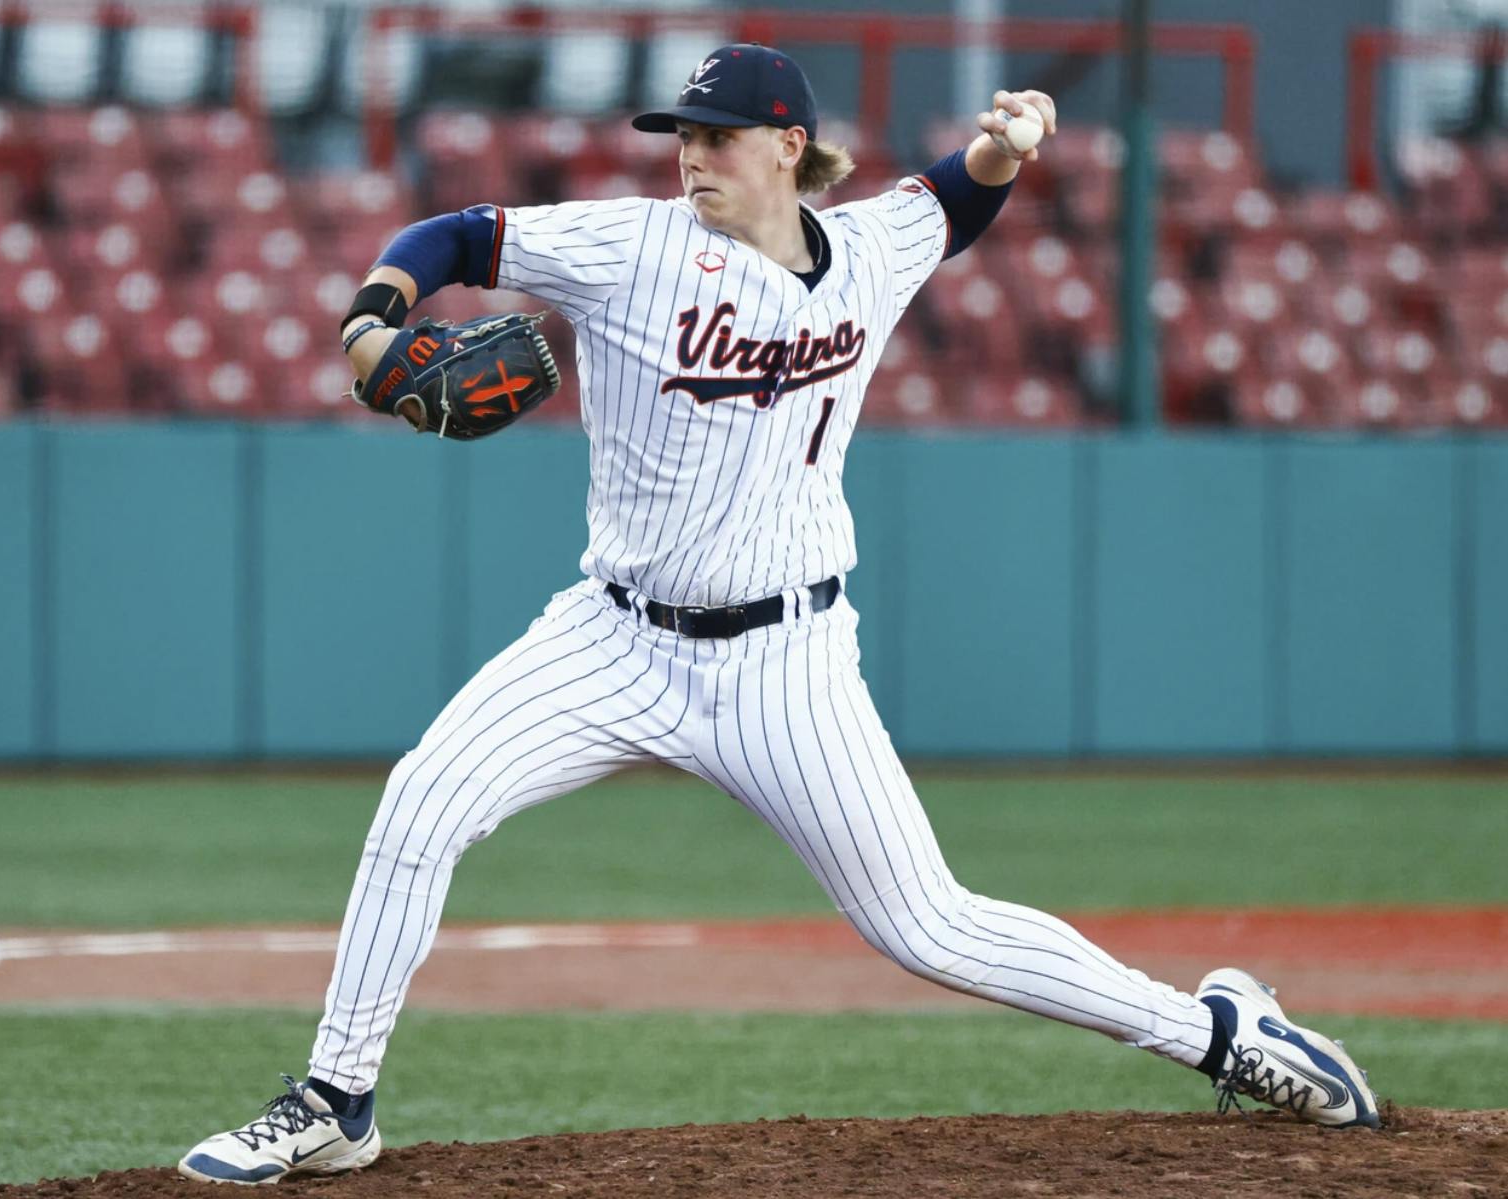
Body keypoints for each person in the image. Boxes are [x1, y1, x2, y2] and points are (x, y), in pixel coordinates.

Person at [178, 45, 1378, 1186]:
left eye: (716, 137)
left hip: (785, 661)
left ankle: (1218, 1034)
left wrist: (1008, 146)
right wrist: (369, 322)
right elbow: (451, 234)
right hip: (610, 637)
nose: (689, 157)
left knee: (929, 927)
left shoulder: (867, 248)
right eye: (679, 137)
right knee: (420, 801)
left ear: (787, 145)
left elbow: (951, 203)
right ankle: (337, 1101)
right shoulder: (626, 246)